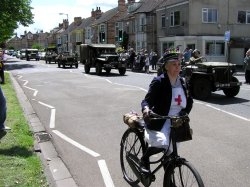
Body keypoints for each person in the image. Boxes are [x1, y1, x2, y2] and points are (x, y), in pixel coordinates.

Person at [140, 53, 193, 167]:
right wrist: (146, 110)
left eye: (179, 64)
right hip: (160, 121)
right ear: (166, 67)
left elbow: (190, 101)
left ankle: (169, 181)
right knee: (163, 144)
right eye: (174, 64)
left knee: (171, 155)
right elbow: (146, 101)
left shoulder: (183, 82)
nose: (178, 67)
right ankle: (144, 159)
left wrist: (185, 113)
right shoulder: (159, 81)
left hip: (177, 122)